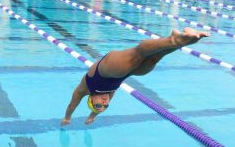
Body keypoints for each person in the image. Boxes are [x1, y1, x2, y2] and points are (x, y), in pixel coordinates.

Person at [61, 27, 209, 126]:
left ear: (91, 99)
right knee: (154, 59)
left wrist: (67, 117)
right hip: (125, 73)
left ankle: (173, 39)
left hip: (106, 68)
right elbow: (99, 108)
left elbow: (72, 104)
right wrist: (92, 117)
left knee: (137, 55)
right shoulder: (108, 96)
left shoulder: (84, 90)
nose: (105, 102)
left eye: (99, 104)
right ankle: (189, 39)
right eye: (105, 106)